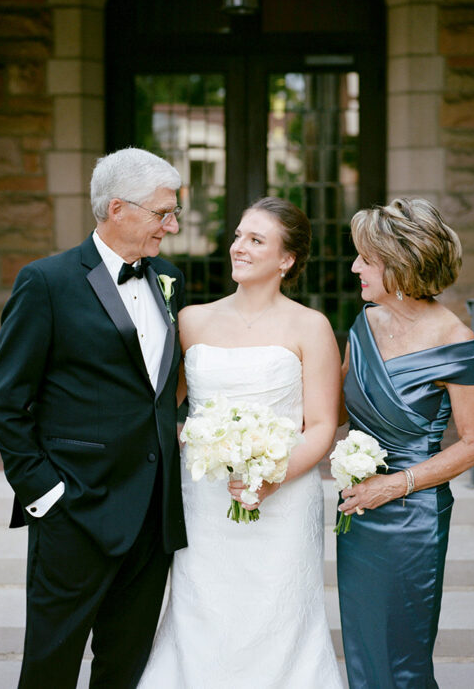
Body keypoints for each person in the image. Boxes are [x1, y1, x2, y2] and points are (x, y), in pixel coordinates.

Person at [0, 148, 187, 688]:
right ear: (117, 208)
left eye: (173, 213)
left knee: (125, 668)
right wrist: (46, 495)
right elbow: (5, 405)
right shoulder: (46, 281)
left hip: (153, 516)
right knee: (50, 669)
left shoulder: (169, 278)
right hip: (74, 511)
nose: (172, 225)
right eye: (163, 213)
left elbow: (164, 387)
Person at [140, 197, 342, 687]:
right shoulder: (191, 320)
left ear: (286, 259)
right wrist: (188, 434)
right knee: (204, 608)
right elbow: (162, 407)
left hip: (284, 498)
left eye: (255, 240)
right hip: (205, 499)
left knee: (278, 612)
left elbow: (321, 425)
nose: (239, 247)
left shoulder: (311, 326)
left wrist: (272, 476)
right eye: (237, 236)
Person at [337, 198, 474, 688]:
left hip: (412, 516)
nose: (355, 267)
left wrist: (395, 485)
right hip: (358, 511)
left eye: (366, 259)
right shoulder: (365, 323)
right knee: (364, 651)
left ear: (400, 264)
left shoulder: (454, 339)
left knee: (404, 661)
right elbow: (336, 410)